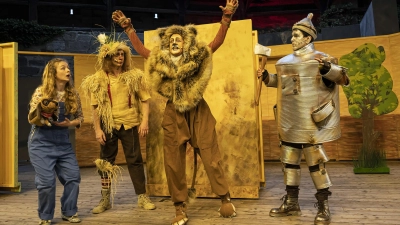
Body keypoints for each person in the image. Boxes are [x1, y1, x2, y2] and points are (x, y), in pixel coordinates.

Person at [112, 0, 238, 224]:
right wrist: (128, 28)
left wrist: (226, 17)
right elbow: (141, 51)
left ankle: (224, 197)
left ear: (186, 43)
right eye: (171, 40)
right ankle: (179, 207)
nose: (175, 42)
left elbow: (216, 43)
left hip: (198, 110)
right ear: (167, 45)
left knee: (210, 155)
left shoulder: (197, 56)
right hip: (174, 113)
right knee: (173, 161)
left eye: (179, 39)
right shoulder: (161, 60)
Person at [258, 13, 349, 225]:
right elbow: (280, 83)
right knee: (289, 162)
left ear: (308, 38)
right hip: (289, 121)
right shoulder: (284, 63)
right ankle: (291, 202)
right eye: (292, 35)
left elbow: (342, 78)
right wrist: (266, 78)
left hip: (311, 123)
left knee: (316, 164)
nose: (292, 39)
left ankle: (324, 207)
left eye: (297, 35)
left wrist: (327, 68)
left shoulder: (322, 60)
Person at [80, 33, 156, 214]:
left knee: (135, 160)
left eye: (122, 54)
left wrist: (144, 121)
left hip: (129, 123)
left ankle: (142, 197)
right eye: (116, 55)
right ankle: (105, 198)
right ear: (108, 57)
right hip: (109, 125)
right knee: (105, 162)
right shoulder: (98, 79)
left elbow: (145, 100)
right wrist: (98, 129)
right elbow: (95, 107)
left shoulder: (133, 76)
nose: (120, 58)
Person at [27, 58, 84, 225]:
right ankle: (45, 216)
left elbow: (80, 118)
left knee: (73, 177)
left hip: (62, 143)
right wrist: (43, 114)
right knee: (46, 183)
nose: (68, 70)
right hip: (41, 143)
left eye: (68, 68)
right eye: (63, 68)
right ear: (53, 73)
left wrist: (69, 123)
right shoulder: (41, 92)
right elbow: (31, 118)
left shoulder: (72, 94)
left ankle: (69, 211)